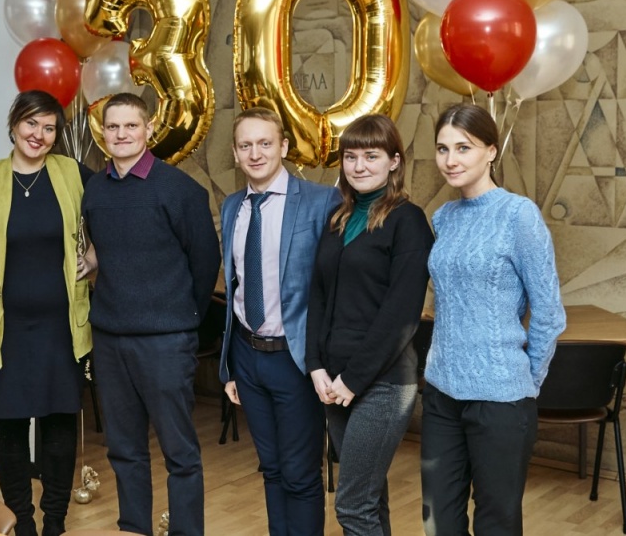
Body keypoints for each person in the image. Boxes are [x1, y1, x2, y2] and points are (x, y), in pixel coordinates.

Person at [421, 103, 566, 536]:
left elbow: (549, 311)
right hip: (441, 392)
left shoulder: (519, 215)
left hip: (501, 397)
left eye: (463, 147)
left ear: (491, 151)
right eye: (443, 148)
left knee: (496, 522)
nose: (451, 159)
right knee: (437, 520)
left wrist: (525, 380)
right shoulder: (444, 218)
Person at [82, 92, 220, 536]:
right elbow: (104, 250)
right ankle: (133, 529)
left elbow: (205, 262)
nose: (121, 134)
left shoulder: (180, 190)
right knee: (123, 450)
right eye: (113, 127)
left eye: (131, 125)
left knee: (180, 453)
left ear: (149, 129)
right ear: (103, 133)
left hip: (166, 340)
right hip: (110, 338)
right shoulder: (94, 190)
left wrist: (181, 316)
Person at [0, 90, 95, 536]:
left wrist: (94, 258)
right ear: (14, 124)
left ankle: (54, 523)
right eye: (31, 123)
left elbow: (111, 217)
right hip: (6, 330)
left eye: (49, 128)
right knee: (10, 427)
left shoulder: (73, 174)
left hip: (62, 329)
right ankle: (21, 524)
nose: (39, 135)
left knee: (59, 428)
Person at [305, 114, 434, 536]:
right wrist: (315, 365)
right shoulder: (338, 218)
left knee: (352, 506)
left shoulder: (408, 221)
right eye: (351, 157)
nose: (359, 166)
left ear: (394, 161)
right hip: (334, 381)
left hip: (382, 384)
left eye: (371, 156)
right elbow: (318, 294)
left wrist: (353, 379)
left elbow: (401, 315)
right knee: (370, 498)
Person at [219, 107, 339, 536]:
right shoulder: (232, 207)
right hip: (246, 356)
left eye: (265, 143)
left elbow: (334, 287)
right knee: (270, 469)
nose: (256, 153)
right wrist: (231, 367)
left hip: (296, 358)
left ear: (284, 146)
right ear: (236, 153)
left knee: (300, 473)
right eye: (246, 145)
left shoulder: (321, 202)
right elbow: (236, 284)